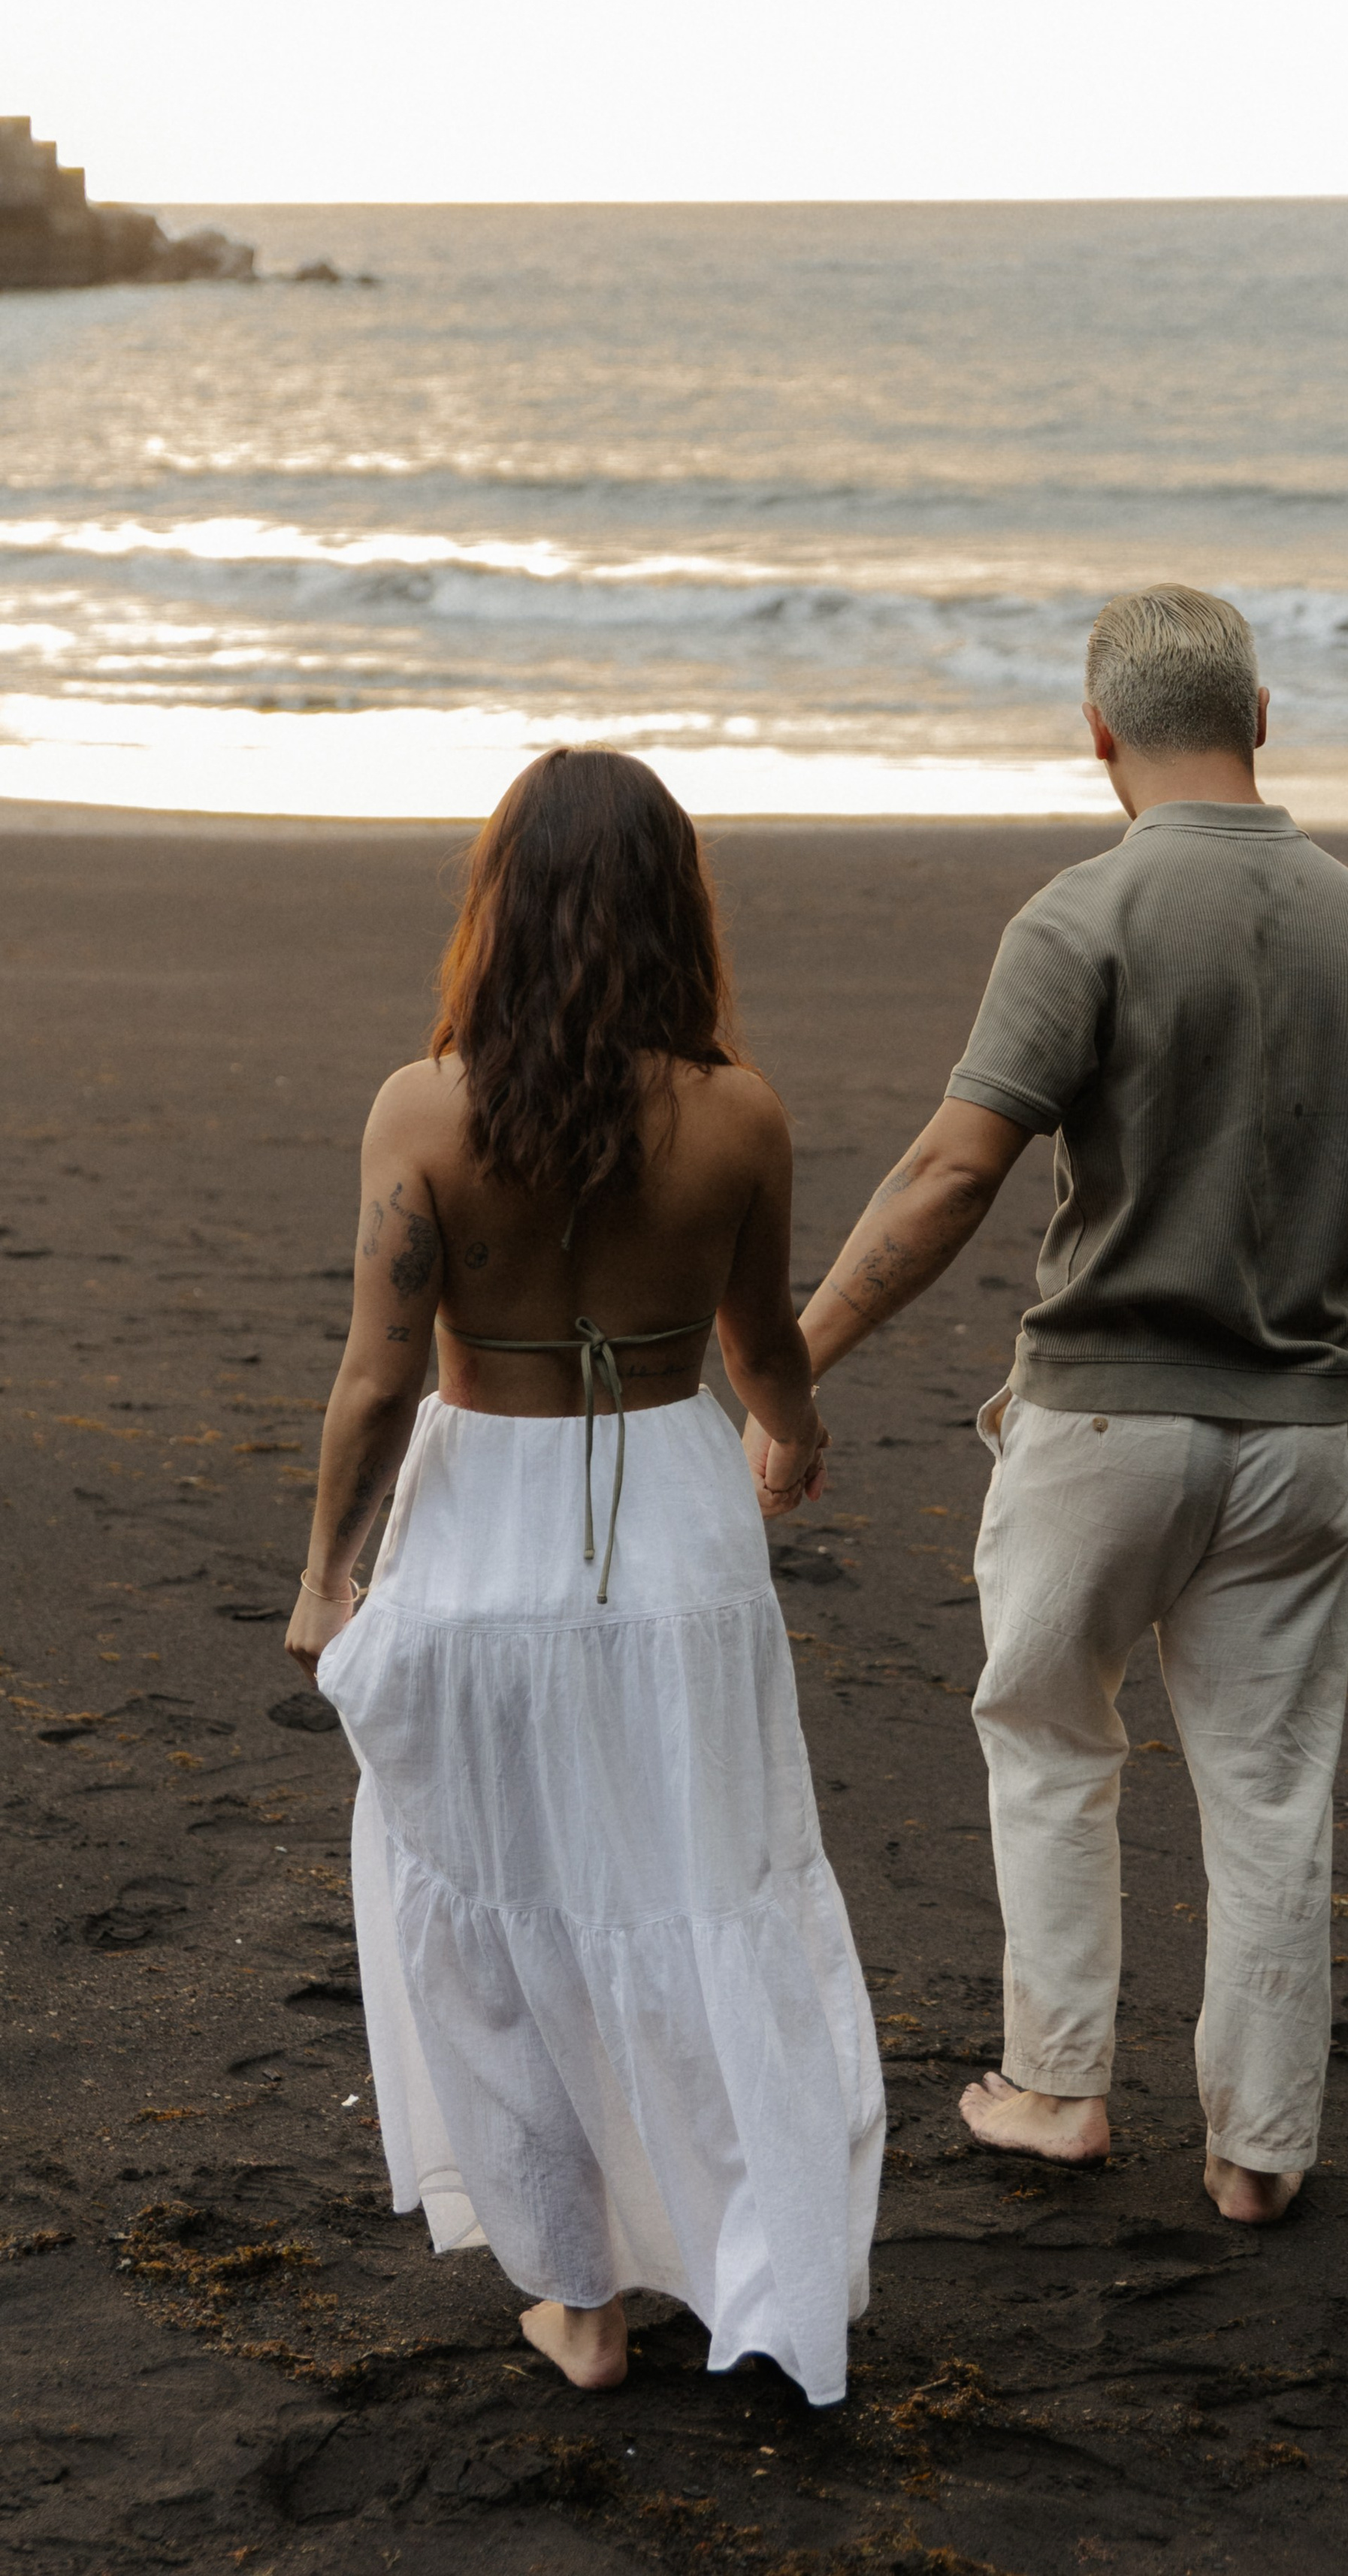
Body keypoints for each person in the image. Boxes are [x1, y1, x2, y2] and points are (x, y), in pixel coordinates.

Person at [746, 587, 1348, 2223]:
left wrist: (790, 1361)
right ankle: (1258, 2149)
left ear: (1094, 737)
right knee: (1268, 1786)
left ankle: (1056, 2087)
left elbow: (950, 1174)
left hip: (1103, 1421)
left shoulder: (1079, 919)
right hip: (1294, 1424)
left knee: (1051, 1739)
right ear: (1262, 717)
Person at [284, 747, 881, 2403]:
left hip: (480, 1537)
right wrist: (788, 1431)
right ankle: (741, 2265)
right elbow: (764, 1345)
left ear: (502, 907)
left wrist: (324, 1576)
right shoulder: (736, 1112)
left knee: (496, 1911)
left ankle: (580, 2296)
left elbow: (377, 1376)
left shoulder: (423, 1106)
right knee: (697, 1893)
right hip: (671, 1539)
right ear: (672, 911)